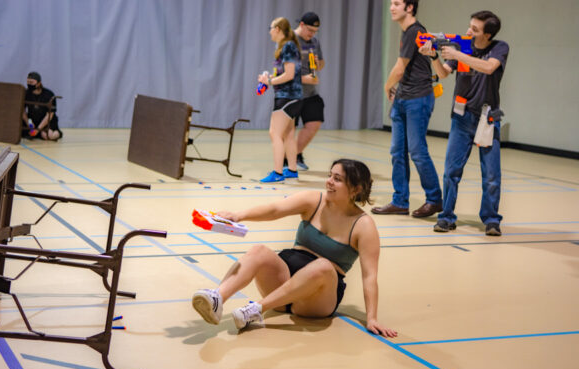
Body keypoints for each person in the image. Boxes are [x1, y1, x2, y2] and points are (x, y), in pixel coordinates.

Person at [192, 159, 397, 337]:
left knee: (324, 265)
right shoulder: (314, 200)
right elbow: (275, 209)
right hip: (283, 281)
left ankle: (257, 309)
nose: (329, 181)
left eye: (337, 179)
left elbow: (369, 276)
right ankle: (217, 298)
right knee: (259, 250)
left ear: (355, 189)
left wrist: (372, 318)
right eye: (329, 175)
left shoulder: (363, 224)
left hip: (316, 298)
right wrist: (239, 215)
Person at [419, 10, 508, 236]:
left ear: (487, 35)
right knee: (451, 172)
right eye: (470, 26)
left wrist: (458, 55)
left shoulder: (499, 48)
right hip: (462, 118)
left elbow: (488, 67)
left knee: (491, 175)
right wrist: (434, 57)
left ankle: (491, 220)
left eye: (475, 30)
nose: (469, 31)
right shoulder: (460, 46)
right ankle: (446, 217)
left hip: (487, 119)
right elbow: (444, 73)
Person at [372, 0, 442, 218]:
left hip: (418, 99)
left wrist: (387, 85)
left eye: (396, 3)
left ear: (409, 7)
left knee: (418, 151)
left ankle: (434, 200)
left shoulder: (415, 31)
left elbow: (400, 68)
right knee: (397, 152)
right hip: (403, 98)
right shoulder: (407, 32)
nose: (392, 7)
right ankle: (400, 201)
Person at [258, 17, 303, 183]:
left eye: (271, 28)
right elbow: (282, 74)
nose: (269, 31)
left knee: (274, 133)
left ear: (277, 29)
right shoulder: (284, 46)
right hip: (292, 97)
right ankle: (291, 170)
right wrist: (269, 78)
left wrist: (269, 82)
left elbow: (290, 74)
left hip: (287, 97)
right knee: (288, 134)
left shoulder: (288, 46)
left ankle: (277, 173)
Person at [283, 11, 325, 172]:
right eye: (310, 30)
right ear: (301, 25)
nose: (312, 34)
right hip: (291, 93)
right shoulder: (289, 41)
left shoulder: (314, 42)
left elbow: (320, 63)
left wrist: (317, 64)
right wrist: (304, 78)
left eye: (315, 31)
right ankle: (286, 160)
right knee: (288, 130)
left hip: (310, 93)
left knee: (314, 121)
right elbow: (282, 71)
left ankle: (295, 155)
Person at [22, 72, 63, 141]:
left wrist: (38, 129)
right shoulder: (26, 93)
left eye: (31, 82)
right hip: (32, 121)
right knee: (24, 133)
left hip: (46, 122)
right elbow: (22, 111)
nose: (29, 84)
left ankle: (57, 133)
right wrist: (28, 123)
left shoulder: (49, 94)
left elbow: (50, 115)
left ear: (39, 83)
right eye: (28, 82)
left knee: (49, 136)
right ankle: (37, 133)